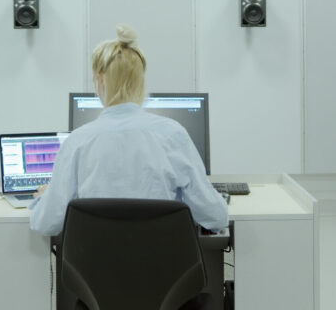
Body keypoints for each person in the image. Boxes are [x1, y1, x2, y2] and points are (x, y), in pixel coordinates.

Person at [29, 24, 229, 237]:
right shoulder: (173, 135)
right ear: (141, 81)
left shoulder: (77, 142)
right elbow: (216, 217)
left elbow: (45, 224)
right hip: (165, 267)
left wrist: (44, 197)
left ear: (100, 79)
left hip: (94, 269)